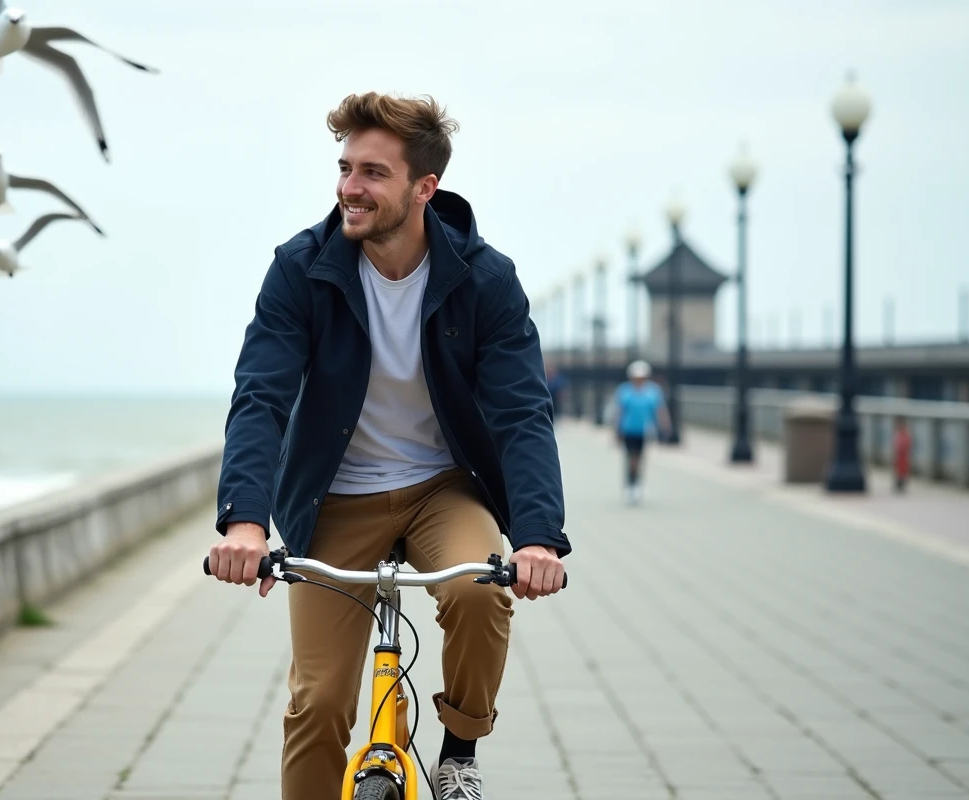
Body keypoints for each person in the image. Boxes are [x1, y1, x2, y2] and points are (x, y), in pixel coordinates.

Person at [206, 92, 570, 799]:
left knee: (475, 592)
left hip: (443, 487)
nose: (349, 187)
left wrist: (538, 539)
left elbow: (522, 413)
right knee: (318, 703)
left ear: (423, 188)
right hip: (335, 496)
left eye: (373, 172)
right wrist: (244, 522)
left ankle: (458, 753)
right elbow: (262, 396)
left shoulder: (485, 280)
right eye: (345, 168)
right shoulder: (301, 268)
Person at [608, 360, 672, 504]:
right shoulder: (625, 390)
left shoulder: (653, 391)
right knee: (631, 458)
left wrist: (665, 425)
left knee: (640, 458)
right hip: (627, 430)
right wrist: (616, 430)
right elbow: (619, 412)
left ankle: (637, 484)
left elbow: (659, 410)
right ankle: (631, 484)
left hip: (643, 431)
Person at [892, 416, 911, 493]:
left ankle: (901, 484)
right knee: (898, 470)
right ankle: (899, 484)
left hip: (903, 456)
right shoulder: (900, 434)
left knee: (902, 470)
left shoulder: (904, 434)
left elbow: (906, 444)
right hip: (899, 456)